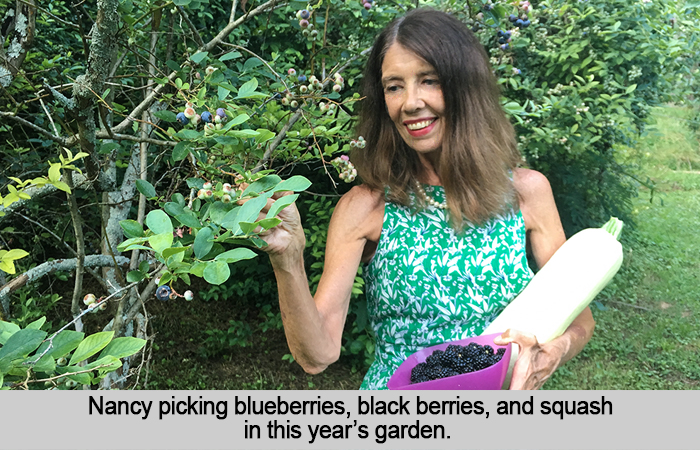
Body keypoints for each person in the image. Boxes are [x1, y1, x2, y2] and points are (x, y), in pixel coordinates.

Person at [255, 8, 595, 390]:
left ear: (464, 87)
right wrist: (288, 260)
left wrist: (556, 350)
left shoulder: (526, 194)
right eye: (394, 86)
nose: (411, 102)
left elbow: (580, 320)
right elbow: (316, 356)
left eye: (428, 80)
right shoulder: (366, 207)